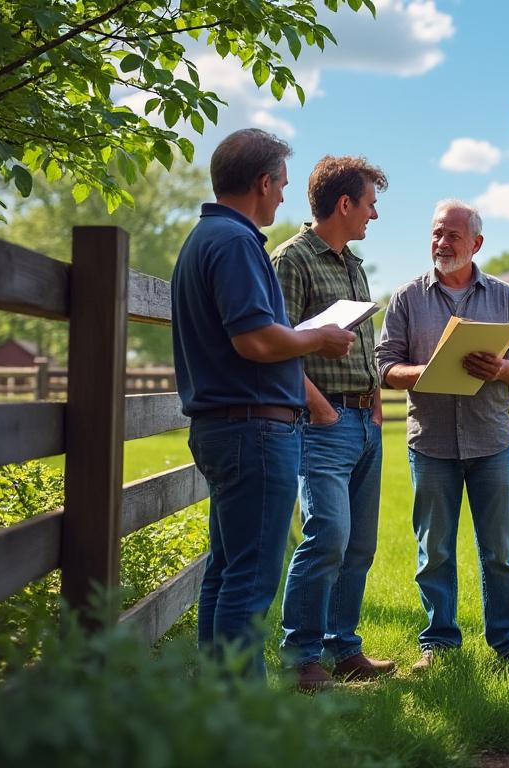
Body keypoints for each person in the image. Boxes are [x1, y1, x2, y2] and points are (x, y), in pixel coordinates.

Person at [171, 128, 355, 679]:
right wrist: (319, 338)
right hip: (252, 429)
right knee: (249, 582)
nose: (282, 197)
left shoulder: (206, 238)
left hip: (226, 427)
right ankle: (240, 714)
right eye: (281, 186)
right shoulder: (234, 241)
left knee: (227, 573)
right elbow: (254, 339)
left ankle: (215, 704)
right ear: (262, 181)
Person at [375, 199, 509, 670]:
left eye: (452, 235)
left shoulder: (505, 296)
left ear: (477, 243)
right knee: (435, 551)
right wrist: (428, 372)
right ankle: (439, 644)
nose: (442, 243)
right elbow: (384, 367)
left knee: (500, 552)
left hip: (491, 442)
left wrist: (501, 367)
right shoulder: (407, 298)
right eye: (436, 233)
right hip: (430, 445)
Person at [272, 156, 393, 691]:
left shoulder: (354, 264)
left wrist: (375, 401)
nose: (374, 215)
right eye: (370, 204)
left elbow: (356, 340)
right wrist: (320, 407)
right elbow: (276, 346)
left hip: (364, 419)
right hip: (322, 423)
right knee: (328, 536)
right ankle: (301, 659)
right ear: (345, 204)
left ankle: (344, 649)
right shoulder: (291, 260)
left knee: (359, 544)